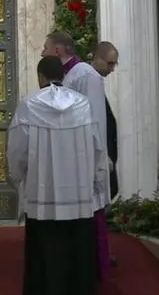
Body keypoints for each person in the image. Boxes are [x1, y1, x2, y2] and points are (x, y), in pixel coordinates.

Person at [7, 56, 103, 295]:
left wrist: (16, 177)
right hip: (78, 198)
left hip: (43, 199)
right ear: (63, 75)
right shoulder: (83, 105)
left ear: (40, 77)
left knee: (44, 256)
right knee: (77, 254)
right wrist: (95, 178)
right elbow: (97, 147)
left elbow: (17, 150)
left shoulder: (29, 105)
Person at [42, 32, 112, 279]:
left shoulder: (85, 74)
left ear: (58, 51)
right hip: (71, 156)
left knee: (91, 214)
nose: (42, 52)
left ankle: (94, 269)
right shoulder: (69, 75)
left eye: (45, 47)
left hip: (86, 158)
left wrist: (96, 160)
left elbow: (95, 120)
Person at [90, 41, 119, 200]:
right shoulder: (88, 78)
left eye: (114, 64)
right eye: (109, 64)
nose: (112, 69)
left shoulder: (96, 79)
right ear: (97, 58)